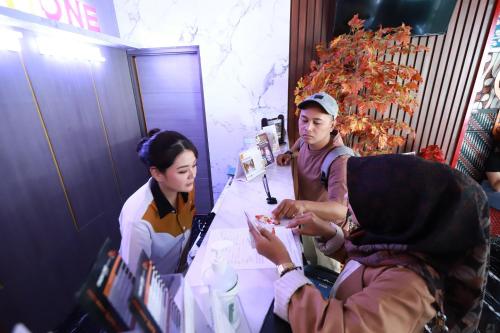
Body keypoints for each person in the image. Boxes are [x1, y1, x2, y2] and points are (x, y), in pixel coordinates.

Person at [250, 154, 490, 332]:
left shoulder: (409, 288)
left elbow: (336, 328)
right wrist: (328, 232)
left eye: (363, 198)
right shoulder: (406, 246)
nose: (351, 207)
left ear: (399, 208)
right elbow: (370, 267)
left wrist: (284, 264)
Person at [273, 92, 351, 270]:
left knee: (326, 277)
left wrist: (300, 205)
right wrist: (289, 154)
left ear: (332, 125)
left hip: (326, 232)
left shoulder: (340, 160)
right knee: (307, 262)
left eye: (317, 122)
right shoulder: (307, 140)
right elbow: (300, 144)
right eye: (304, 120)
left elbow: (340, 210)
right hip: (305, 218)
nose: (308, 128)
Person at [119, 129, 198, 274]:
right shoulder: (138, 220)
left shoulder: (185, 187)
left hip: (181, 272)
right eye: (182, 171)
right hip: (155, 289)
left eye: (194, 165)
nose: (192, 175)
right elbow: (135, 278)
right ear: (157, 173)